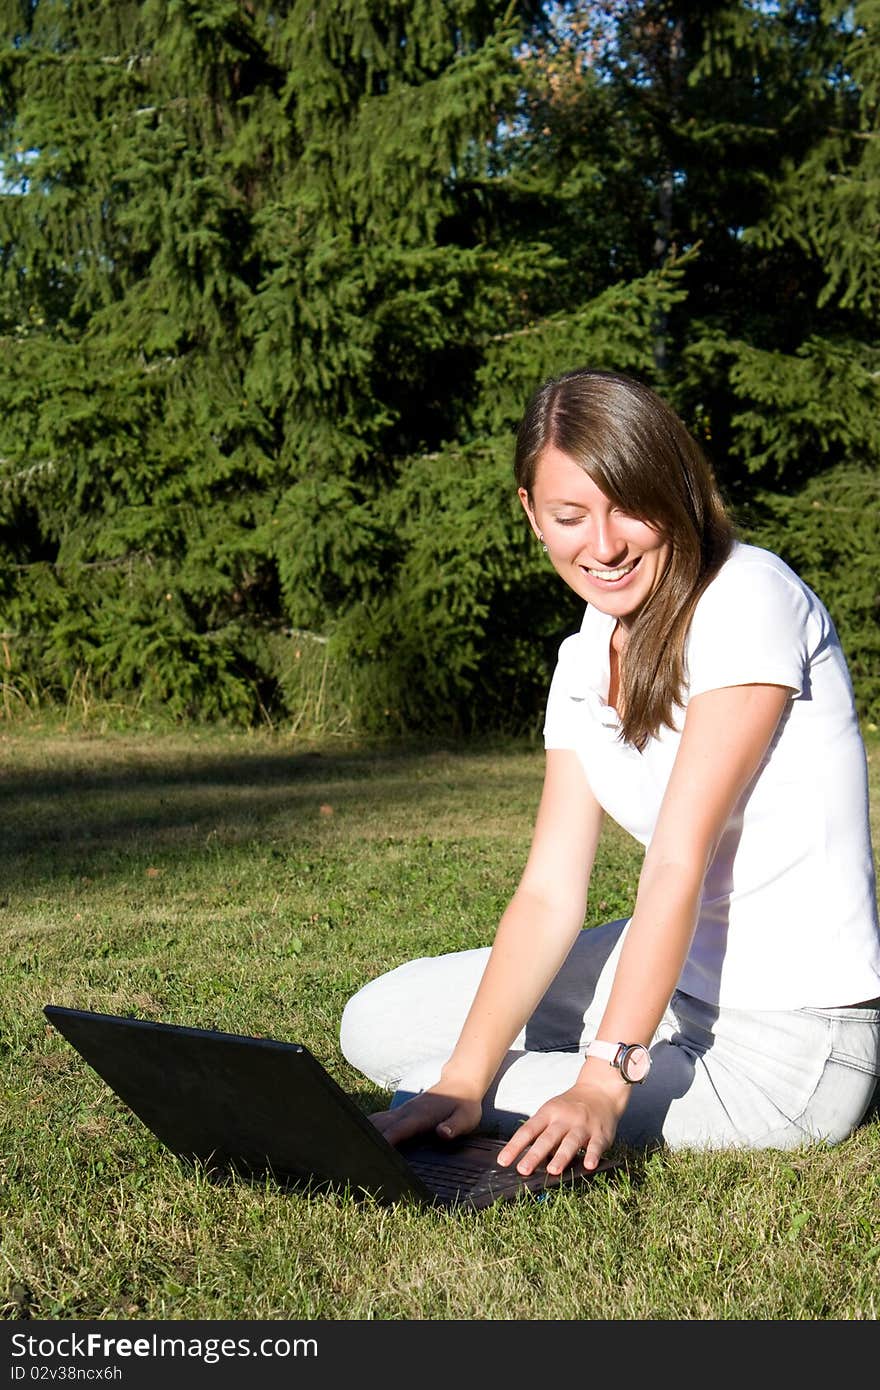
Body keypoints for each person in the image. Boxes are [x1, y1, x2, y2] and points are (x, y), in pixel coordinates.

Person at [340, 367, 880, 1177]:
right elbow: (551, 892)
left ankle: (605, 1052)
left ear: (678, 493)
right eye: (570, 515)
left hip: (791, 1044)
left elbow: (676, 860)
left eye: (630, 506)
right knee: (377, 1025)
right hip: (670, 982)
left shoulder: (749, 597)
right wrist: (465, 1076)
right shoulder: (583, 656)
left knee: (413, 1083)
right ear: (531, 514)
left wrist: (603, 1078)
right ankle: (550, 1054)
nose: (604, 544)